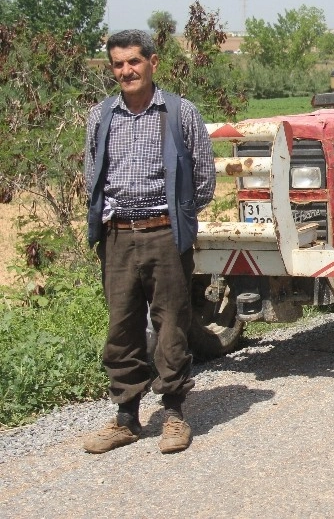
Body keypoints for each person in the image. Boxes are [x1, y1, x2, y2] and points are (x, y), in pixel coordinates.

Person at [82, 30, 215, 454]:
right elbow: (92, 176)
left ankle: (174, 413)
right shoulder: (100, 116)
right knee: (122, 326)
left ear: (152, 63)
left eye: (133, 62)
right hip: (118, 236)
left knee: (171, 322)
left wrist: (177, 218)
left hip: (165, 234)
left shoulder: (180, 112)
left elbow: (204, 178)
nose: (126, 71)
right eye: (118, 64)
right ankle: (126, 418)